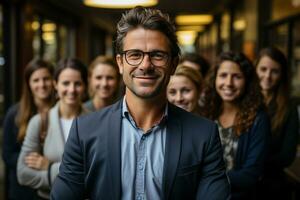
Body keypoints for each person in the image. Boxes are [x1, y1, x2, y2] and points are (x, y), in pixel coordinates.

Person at [50, 6, 230, 200]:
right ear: (120, 63)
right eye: (134, 55)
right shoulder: (84, 131)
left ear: (173, 64)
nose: (145, 65)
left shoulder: (204, 134)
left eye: (157, 55)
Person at [201, 51, 270, 200]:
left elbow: (251, 174)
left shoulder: (258, 119)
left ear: (247, 82)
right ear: (214, 78)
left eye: (237, 77)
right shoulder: (206, 113)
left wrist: (206, 177)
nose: (229, 83)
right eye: (223, 75)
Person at [17, 58, 88, 199]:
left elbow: (98, 172)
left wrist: (50, 167)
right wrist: (64, 175)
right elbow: (23, 174)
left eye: (77, 83)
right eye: (66, 83)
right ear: (55, 84)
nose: (72, 90)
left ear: (85, 85)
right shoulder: (39, 122)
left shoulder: (96, 122)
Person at [2, 58, 55, 200]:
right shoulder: (15, 113)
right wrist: (33, 163)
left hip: (54, 187)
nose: (42, 84)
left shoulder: (62, 110)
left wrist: (49, 164)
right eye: (36, 80)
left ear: (54, 81)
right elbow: (7, 154)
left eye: (46, 79)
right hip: (23, 190)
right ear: (28, 84)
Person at [255, 47, 299, 200]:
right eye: (263, 69)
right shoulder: (244, 100)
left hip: (271, 184)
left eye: (275, 71)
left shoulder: (289, 107)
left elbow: (287, 155)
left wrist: (253, 164)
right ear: (255, 69)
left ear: (282, 75)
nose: (267, 76)